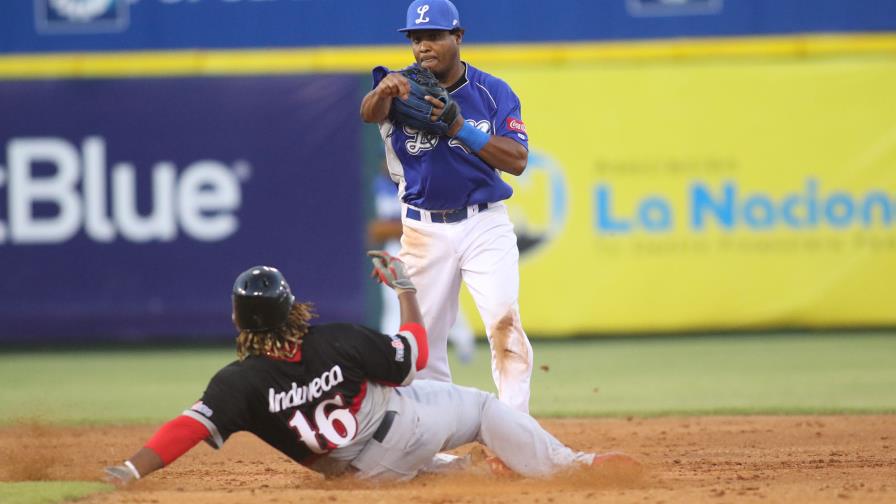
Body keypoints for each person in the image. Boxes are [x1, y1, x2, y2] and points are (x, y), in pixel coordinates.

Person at [103, 253, 641, 484]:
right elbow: (415, 356)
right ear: (291, 307)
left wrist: (131, 468)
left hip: (363, 475)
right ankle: (574, 465)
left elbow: (187, 428)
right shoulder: (336, 339)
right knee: (479, 409)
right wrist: (405, 290)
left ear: (238, 320)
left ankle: (465, 473)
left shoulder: (236, 384)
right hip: (408, 426)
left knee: (405, 470)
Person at [359, 0, 533, 412]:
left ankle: (515, 428)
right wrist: (382, 91)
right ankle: (439, 435)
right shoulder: (400, 87)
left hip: (484, 224)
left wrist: (460, 128)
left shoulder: (492, 91)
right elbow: (369, 113)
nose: (423, 46)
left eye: (434, 36)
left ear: (458, 36)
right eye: (416, 38)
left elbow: (517, 160)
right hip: (423, 229)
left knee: (505, 326)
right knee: (423, 343)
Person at [369, 163, 476, 363]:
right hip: (397, 248)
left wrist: (390, 228)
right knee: (394, 300)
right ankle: (391, 349)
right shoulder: (382, 184)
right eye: (383, 159)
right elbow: (381, 227)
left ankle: (464, 340)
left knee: (440, 296)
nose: (386, 164)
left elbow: (419, 222)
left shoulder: (422, 178)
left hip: (425, 244)